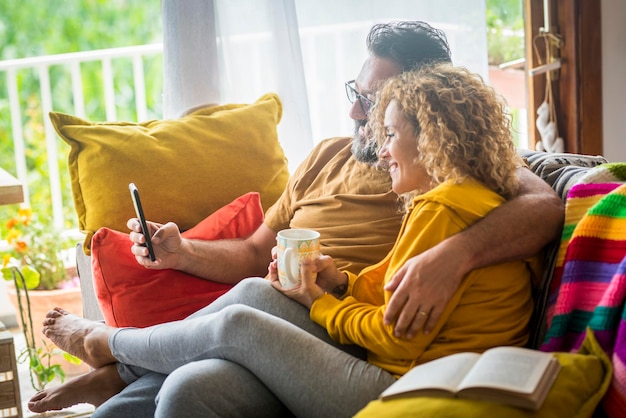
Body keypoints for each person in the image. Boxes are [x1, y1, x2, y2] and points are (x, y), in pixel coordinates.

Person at [91, 20, 560, 417]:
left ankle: (116, 349)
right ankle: (120, 371)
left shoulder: (457, 178)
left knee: (243, 314)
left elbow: (544, 207)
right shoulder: (329, 156)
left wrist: (452, 257)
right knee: (190, 386)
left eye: (375, 105)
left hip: (362, 343)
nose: (355, 110)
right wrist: (184, 252)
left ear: (427, 111)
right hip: (327, 310)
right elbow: (257, 253)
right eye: (357, 92)